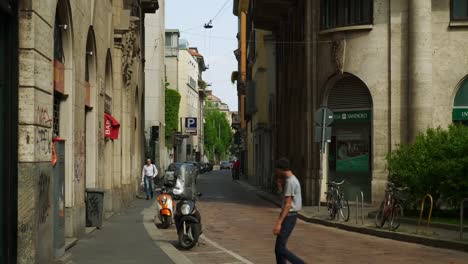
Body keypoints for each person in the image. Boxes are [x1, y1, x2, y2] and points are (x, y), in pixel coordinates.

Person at [273, 158, 305, 264]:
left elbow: (287, 205)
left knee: (280, 249)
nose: (275, 172)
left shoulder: (291, 182)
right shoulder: (290, 180)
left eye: (276, 170)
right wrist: (280, 188)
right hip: (289, 216)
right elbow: (286, 200)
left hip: (289, 217)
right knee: (278, 249)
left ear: (281, 169)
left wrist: (279, 223)